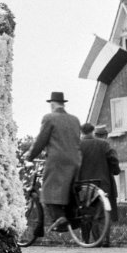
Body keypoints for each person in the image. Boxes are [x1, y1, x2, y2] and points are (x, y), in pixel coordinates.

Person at [24, 91, 82, 232]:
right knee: (68, 189)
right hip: (75, 159)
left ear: (52, 104)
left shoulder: (49, 118)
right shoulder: (75, 120)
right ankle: (72, 219)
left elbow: (41, 140)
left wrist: (30, 156)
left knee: (48, 190)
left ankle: (59, 217)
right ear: (63, 104)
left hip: (57, 160)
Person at [78, 122, 120, 245]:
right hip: (103, 184)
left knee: (85, 212)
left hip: (83, 185)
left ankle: (86, 240)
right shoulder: (104, 144)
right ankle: (104, 240)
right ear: (92, 132)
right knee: (102, 214)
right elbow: (114, 159)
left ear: (82, 132)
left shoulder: (78, 146)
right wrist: (115, 170)